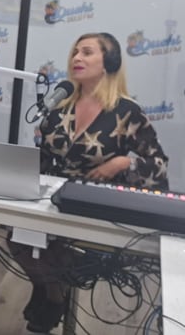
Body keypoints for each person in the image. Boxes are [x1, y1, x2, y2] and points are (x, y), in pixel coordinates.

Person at [12, 32, 168, 333]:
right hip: (51, 200)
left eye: (86, 52)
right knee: (16, 236)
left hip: (95, 207)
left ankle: (52, 293)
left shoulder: (127, 111)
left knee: (54, 248)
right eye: (74, 53)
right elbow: (42, 158)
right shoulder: (57, 107)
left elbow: (159, 165)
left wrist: (124, 162)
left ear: (108, 62)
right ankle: (49, 288)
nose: (77, 59)